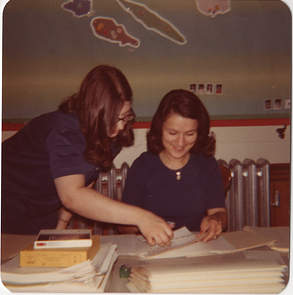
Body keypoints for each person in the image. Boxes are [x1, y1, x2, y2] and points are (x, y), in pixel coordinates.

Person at [1, 65, 173, 247]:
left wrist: (61, 224)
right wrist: (141, 217)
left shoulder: (110, 133)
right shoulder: (65, 132)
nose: (121, 126)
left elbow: (84, 182)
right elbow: (72, 196)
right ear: (94, 112)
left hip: (38, 211)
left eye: (125, 116)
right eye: (114, 117)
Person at [119, 89, 228, 242]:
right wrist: (142, 222)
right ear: (159, 129)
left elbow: (219, 212)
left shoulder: (207, 164)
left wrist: (215, 220)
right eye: (172, 133)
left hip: (197, 245)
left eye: (190, 134)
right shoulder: (142, 166)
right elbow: (123, 227)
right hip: (152, 247)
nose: (181, 142)